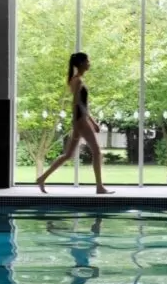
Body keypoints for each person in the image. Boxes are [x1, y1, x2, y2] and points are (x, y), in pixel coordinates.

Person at [35, 51, 111, 194]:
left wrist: (88, 121)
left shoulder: (75, 79)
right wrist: (90, 123)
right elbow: (77, 104)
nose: (89, 63)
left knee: (68, 155)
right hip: (80, 120)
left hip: (79, 120)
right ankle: (100, 187)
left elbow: (83, 104)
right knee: (97, 151)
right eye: (88, 61)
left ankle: (42, 178)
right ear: (81, 63)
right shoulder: (77, 81)